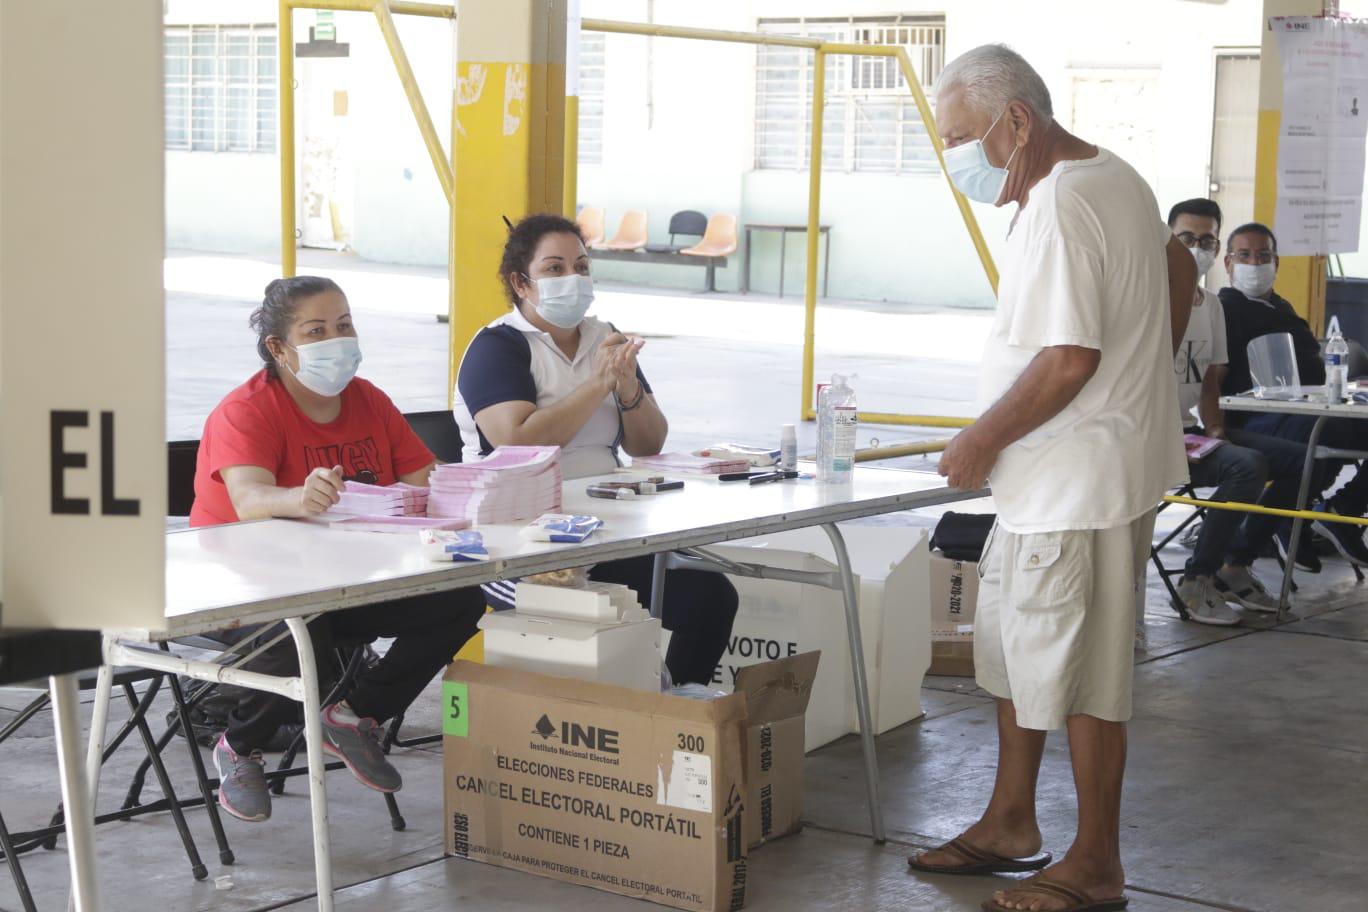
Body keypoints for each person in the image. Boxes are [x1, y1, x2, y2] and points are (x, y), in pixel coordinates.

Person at [907, 45, 1191, 912]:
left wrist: (978, 441)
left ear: (1018, 120)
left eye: (964, 138)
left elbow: (1069, 358)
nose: (961, 158)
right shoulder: (1115, 175)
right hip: (1070, 475)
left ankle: (1096, 862)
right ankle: (1010, 821)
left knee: (1083, 672)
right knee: (1018, 652)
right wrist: (1143, 380)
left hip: (1076, 485)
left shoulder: (1062, 204)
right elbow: (1180, 272)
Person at [191, 276, 485, 823]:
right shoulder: (247, 411)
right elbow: (249, 498)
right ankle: (240, 744)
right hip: (245, 587)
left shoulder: (368, 400)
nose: (337, 340)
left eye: (344, 325)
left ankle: (354, 716)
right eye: (317, 330)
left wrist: (481, 487)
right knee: (300, 628)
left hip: (345, 577)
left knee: (461, 598)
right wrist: (298, 498)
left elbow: (428, 477)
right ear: (279, 348)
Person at [452, 213, 738, 686]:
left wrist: (626, 389)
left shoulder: (603, 335)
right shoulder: (497, 347)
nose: (573, 279)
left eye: (582, 267)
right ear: (520, 283)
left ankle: (672, 719)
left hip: (603, 529)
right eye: (555, 268)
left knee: (709, 596)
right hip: (518, 545)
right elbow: (519, 440)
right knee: (590, 610)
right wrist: (598, 383)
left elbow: (649, 444)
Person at [1167, 199, 1304, 622]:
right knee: (1247, 467)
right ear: (1166, 240)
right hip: (1152, 435)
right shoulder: (1145, 298)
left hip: (1192, 433)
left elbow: (1210, 379)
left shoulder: (1211, 307)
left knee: (1298, 459)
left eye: (1207, 239)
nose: (1198, 247)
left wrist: (1216, 428)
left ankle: (1235, 566)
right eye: (1187, 238)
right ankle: (1196, 579)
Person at [1217, 222, 1368, 568]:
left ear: (1276, 262)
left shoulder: (1284, 311)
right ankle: (1269, 532)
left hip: (1306, 410)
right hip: (1254, 419)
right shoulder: (1222, 311)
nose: (1255, 263)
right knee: (1324, 439)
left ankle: (1344, 508)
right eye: (1244, 255)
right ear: (1228, 263)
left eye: (1263, 255)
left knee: (1335, 432)